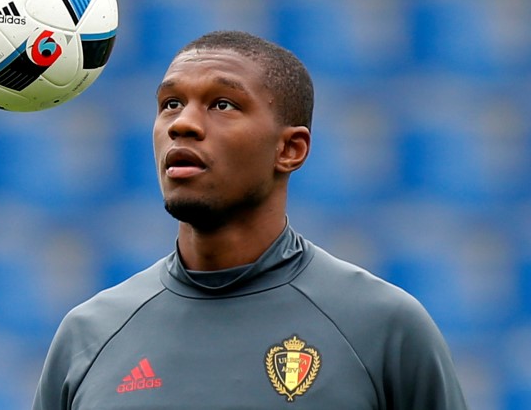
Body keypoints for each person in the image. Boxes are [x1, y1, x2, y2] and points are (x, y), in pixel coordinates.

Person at [33, 30, 468, 409]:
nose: (182, 124)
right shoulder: (89, 335)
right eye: (170, 104)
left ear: (290, 149)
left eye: (222, 104)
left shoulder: (383, 327)